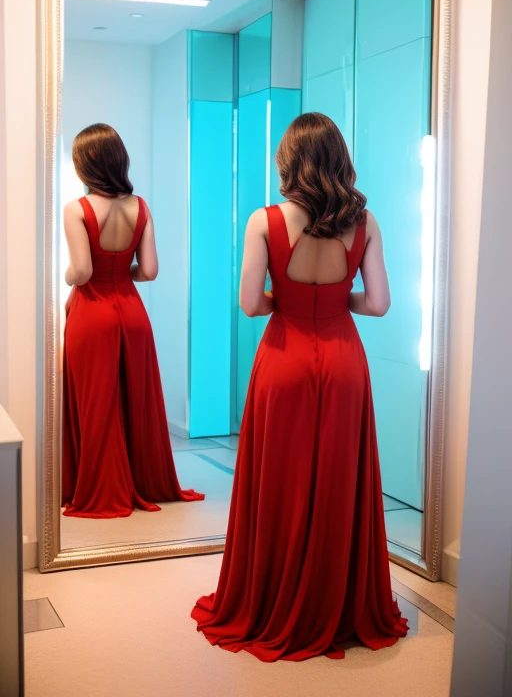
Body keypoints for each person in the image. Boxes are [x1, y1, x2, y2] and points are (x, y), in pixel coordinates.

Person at [191, 112, 408, 660]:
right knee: (339, 480)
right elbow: (379, 304)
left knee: (280, 481)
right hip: (342, 361)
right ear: (338, 158)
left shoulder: (264, 221)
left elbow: (249, 304)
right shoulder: (366, 223)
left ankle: (272, 601)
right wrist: (337, 303)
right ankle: (334, 606)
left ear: (288, 160)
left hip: (283, 358)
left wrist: (287, 300)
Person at [61, 123, 204, 518]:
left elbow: (83, 272)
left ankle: (101, 490)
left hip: (92, 313)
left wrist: (67, 275)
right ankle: (142, 482)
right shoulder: (140, 206)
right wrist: (122, 272)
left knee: (97, 404)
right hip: (132, 312)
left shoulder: (77, 209)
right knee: (134, 401)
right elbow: (151, 270)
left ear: (85, 165)